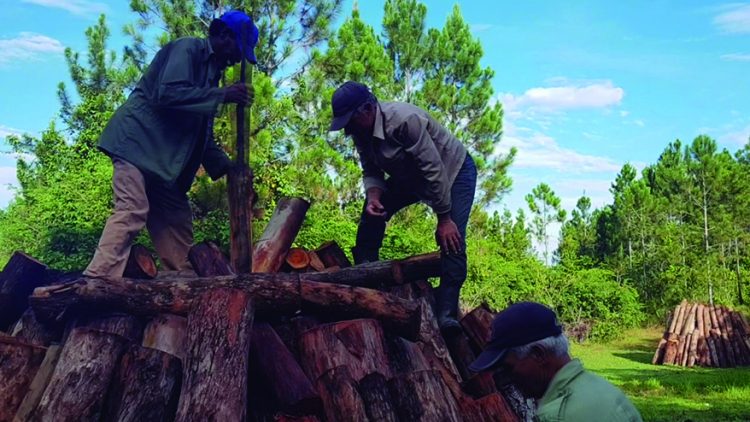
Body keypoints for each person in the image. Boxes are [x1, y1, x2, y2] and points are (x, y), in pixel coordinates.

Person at [84, 10, 258, 278]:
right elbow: (168, 94)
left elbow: (203, 136)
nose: (237, 59)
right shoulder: (188, 49)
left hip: (162, 166)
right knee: (132, 210)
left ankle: (185, 290)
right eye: (239, 49)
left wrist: (229, 168)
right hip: (136, 145)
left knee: (177, 224)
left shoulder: (212, 76)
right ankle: (95, 283)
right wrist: (223, 95)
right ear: (224, 35)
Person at [329, 81, 477, 332]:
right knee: (372, 211)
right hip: (410, 176)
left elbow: (434, 170)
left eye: (350, 122)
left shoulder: (404, 121)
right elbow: (371, 170)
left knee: (452, 238)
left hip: (453, 172)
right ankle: (366, 271)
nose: (348, 131)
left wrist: (444, 218)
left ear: (367, 109)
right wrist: (374, 195)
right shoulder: (360, 131)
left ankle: (447, 314)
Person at [469, 302, 643, 422]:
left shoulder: (555, 416)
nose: (506, 379)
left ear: (538, 355)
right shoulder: (602, 388)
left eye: (508, 368)